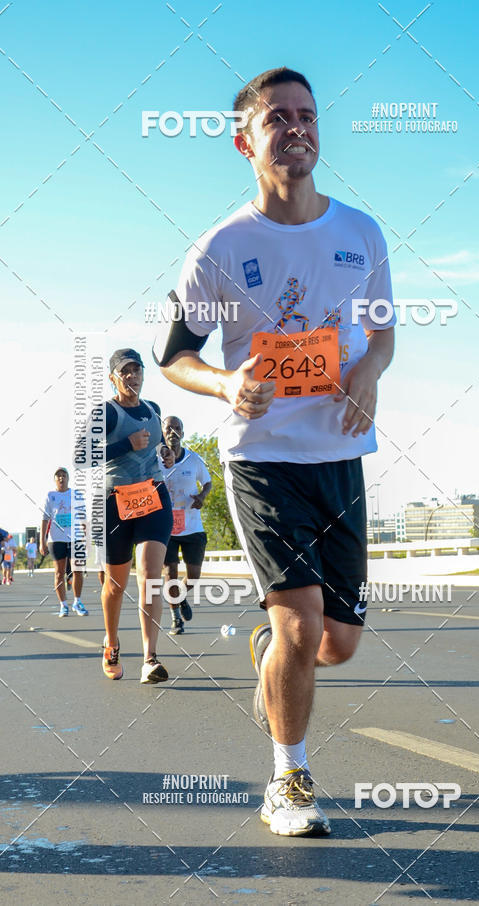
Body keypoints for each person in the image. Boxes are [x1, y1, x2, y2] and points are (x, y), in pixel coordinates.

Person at [155, 68, 395, 836]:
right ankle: (288, 781)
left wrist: (368, 370)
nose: (297, 128)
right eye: (278, 119)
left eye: (308, 115)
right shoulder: (220, 248)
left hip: (339, 457)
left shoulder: (362, 232)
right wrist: (226, 386)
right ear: (244, 141)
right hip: (261, 459)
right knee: (301, 627)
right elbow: (173, 355)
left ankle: (269, 653)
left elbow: (384, 332)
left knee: (338, 644)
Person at [76, 348, 173, 683]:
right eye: (125, 371)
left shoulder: (154, 410)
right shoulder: (107, 412)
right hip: (115, 502)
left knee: (150, 574)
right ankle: (112, 642)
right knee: (115, 584)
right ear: (113, 378)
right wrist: (125, 444)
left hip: (153, 495)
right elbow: (80, 455)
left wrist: (165, 455)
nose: (132, 376)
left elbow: (156, 448)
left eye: (137, 370)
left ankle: (150, 658)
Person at [159, 417, 212, 635]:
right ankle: (175, 620)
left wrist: (201, 496)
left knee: (194, 577)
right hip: (165, 527)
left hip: (192, 526)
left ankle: (179, 596)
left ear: (183, 432)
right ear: (162, 432)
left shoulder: (194, 459)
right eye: (168, 428)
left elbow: (207, 482)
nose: (173, 432)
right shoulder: (154, 461)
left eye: (177, 428)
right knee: (169, 574)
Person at [40, 470, 87, 615]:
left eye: (64, 475)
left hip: (75, 538)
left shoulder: (76, 494)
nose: (61, 478)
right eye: (58, 476)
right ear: (55, 479)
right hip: (56, 539)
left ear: (68, 478)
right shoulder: (50, 496)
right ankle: (63, 605)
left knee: (77, 570)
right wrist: (42, 541)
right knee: (59, 573)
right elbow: (45, 519)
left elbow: (83, 518)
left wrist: (86, 537)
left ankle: (77, 602)